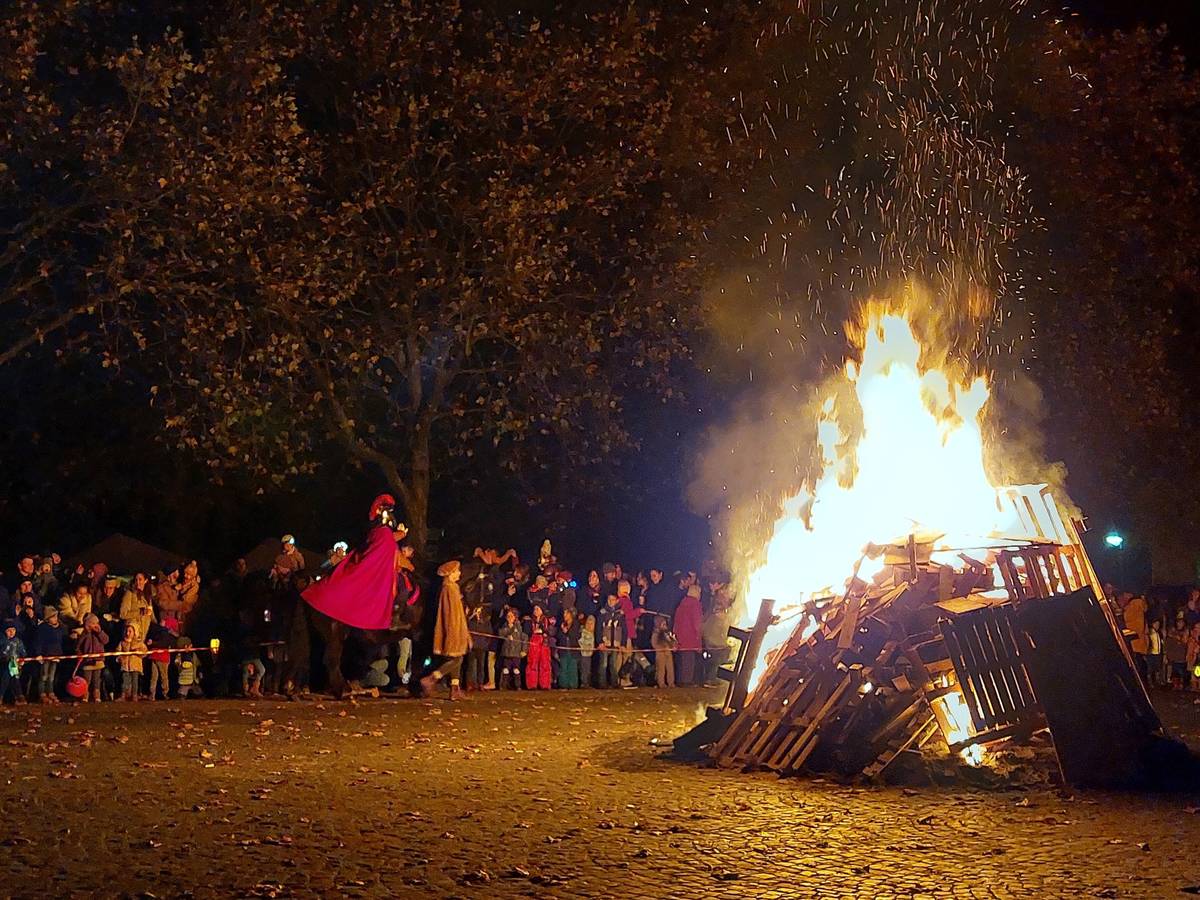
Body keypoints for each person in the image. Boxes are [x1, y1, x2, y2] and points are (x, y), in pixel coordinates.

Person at [303, 495, 407, 630]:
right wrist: (401, 535)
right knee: (401, 587)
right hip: (379, 570)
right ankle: (395, 616)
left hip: (384, 565)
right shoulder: (382, 533)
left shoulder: (379, 533)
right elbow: (385, 543)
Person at [421, 560, 469, 699]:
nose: (459, 573)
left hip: (457, 629)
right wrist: (456, 632)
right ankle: (432, 678)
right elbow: (452, 614)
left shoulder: (452, 587)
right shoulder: (449, 588)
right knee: (457, 659)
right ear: (451, 573)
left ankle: (454, 688)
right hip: (453, 630)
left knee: (458, 657)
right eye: (457, 571)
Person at [701, 580, 735, 686]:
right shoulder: (718, 609)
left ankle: (713, 678)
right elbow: (721, 624)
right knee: (721, 655)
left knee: (723, 654)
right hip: (714, 639)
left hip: (713, 637)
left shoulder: (721, 607)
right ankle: (712, 678)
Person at [674, 583, 704, 686]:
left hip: (680, 637)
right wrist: (699, 641)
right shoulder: (695, 604)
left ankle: (680, 681)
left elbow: (676, 621)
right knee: (689, 661)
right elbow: (697, 624)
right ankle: (687, 682)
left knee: (682, 660)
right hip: (691, 637)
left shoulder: (681, 604)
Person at [76, 613, 109, 703]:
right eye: (93, 623)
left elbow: (106, 640)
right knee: (87, 680)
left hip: (98, 661)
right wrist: (79, 654)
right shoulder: (84, 634)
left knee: (97, 680)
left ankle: (97, 696)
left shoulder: (100, 633)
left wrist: (99, 632)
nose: (95, 625)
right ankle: (85, 695)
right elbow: (78, 646)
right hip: (88, 662)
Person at [34, 606, 64, 703]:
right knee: (44, 675)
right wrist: (38, 653)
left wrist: (59, 653)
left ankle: (50, 692)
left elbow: (59, 641)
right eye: (53, 617)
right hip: (46, 655)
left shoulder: (59, 628)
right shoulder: (43, 628)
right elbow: (39, 642)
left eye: (56, 617)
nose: (55, 619)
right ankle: (42, 693)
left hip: (55, 655)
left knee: (51, 676)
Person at [597, 594, 627, 689]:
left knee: (613, 664)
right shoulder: (602, 612)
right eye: (609, 599)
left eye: (613, 599)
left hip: (615, 643)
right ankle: (602, 683)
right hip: (605, 642)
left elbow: (624, 630)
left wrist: (623, 644)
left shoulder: (620, 614)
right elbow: (598, 628)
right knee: (603, 664)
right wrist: (600, 641)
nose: (611, 601)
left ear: (617, 600)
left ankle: (614, 682)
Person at [119, 573, 157, 642]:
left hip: (145, 631)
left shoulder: (147, 596)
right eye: (136, 580)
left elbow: (152, 615)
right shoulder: (129, 594)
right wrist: (140, 612)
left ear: (145, 581)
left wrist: (156, 624)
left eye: (140, 579)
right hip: (132, 632)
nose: (138, 582)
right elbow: (123, 614)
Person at [524, 603, 553, 690]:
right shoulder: (530, 621)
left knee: (545, 663)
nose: (535, 611)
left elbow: (550, 632)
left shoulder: (546, 621)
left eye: (538, 609)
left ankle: (545, 684)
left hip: (544, 642)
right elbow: (527, 632)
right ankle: (532, 684)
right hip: (534, 641)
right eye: (535, 609)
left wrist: (544, 632)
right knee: (532, 662)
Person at [464, 603, 493, 691]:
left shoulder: (486, 622)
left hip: (481, 646)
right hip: (472, 646)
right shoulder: (470, 621)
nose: (478, 611)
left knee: (481, 666)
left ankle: (480, 683)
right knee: (471, 666)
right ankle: (470, 684)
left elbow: (489, 633)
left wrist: (485, 644)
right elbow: (466, 627)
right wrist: (472, 615)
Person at [1122, 593, 1149, 682]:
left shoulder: (1132, 606)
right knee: (1141, 663)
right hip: (1140, 641)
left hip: (1133, 641)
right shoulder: (1140, 607)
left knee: (1136, 665)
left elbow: (1127, 621)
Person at [116, 623, 147, 702]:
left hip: (135, 665)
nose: (127, 633)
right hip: (125, 665)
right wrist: (119, 658)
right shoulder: (122, 642)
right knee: (124, 681)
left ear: (134, 632)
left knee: (135, 681)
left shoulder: (139, 643)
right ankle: (123, 695)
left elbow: (145, 652)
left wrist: (138, 652)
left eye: (130, 631)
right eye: (127, 631)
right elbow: (118, 651)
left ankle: (134, 696)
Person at [0, 620, 26, 705]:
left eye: (13, 630)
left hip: (15, 665)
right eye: (9, 630)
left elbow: (23, 653)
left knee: (15, 680)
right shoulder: (2, 641)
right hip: (4, 665)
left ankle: (19, 697)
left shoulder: (18, 641)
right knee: (5, 680)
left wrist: (22, 660)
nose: (11, 632)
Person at [498, 607, 524, 690]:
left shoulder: (519, 627)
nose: (509, 618)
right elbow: (501, 633)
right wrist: (508, 629)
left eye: (511, 616)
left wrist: (524, 650)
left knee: (516, 669)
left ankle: (518, 685)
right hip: (507, 652)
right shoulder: (505, 626)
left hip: (516, 652)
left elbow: (523, 638)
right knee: (505, 669)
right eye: (508, 616)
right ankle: (503, 685)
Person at [555, 609, 581, 689]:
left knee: (572, 668)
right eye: (564, 614)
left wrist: (567, 631)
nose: (565, 616)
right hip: (563, 649)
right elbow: (558, 636)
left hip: (573, 649)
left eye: (566, 614)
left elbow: (575, 636)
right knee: (563, 668)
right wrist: (562, 631)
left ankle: (573, 685)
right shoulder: (561, 624)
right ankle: (564, 685)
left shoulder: (576, 624)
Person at [651, 614, 676, 688]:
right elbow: (654, 644)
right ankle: (661, 683)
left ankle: (671, 682)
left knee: (670, 669)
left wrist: (673, 645)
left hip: (668, 653)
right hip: (660, 654)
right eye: (663, 624)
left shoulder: (667, 633)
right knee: (661, 669)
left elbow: (672, 641)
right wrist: (662, 648)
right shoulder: (656, 634)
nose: (665, 626)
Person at [578, 615, 596, 688]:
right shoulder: (583, 632)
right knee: (583, 669)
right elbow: (580, 641)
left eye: (591, 624)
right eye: (588, 624)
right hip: (583, 653)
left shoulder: (592, 634)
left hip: (589, 654)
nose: (589, 626)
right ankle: (583, 682)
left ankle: (587, 682)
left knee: (588, 669)